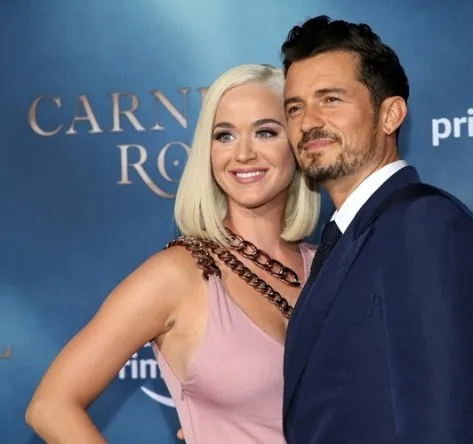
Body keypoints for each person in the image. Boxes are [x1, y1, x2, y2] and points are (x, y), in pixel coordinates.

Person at [25, 64, 320, 444]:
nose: (243, 153)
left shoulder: (330, 265)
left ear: (297, 144)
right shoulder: (177, 275)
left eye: (265, 132)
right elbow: (50, 406)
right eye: (225, 135)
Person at [280, 16, 473, 443]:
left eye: (331, 99)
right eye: (294, 107)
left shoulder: (427, 225)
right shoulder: (341, 239)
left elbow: (444, 428)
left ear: (390, 115)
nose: (308, 122)